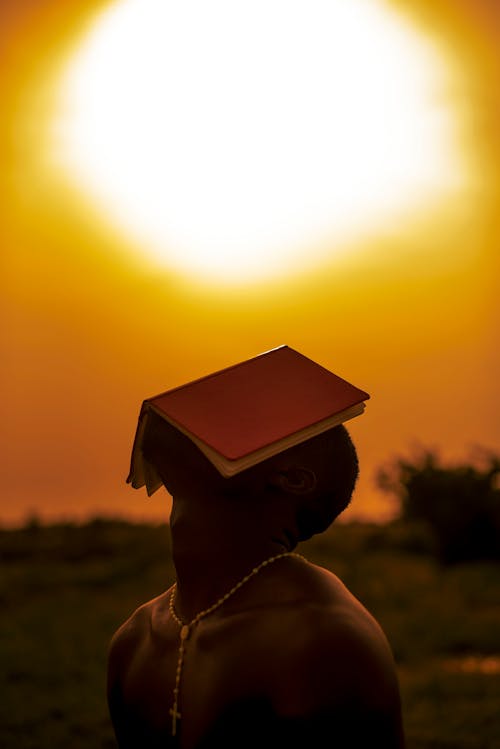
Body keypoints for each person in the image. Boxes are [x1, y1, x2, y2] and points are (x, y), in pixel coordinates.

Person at [107, 412, 405, 748]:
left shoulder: (325, 642)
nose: (194, 423)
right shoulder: (133, 639)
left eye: (240, 425)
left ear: (292, 477)